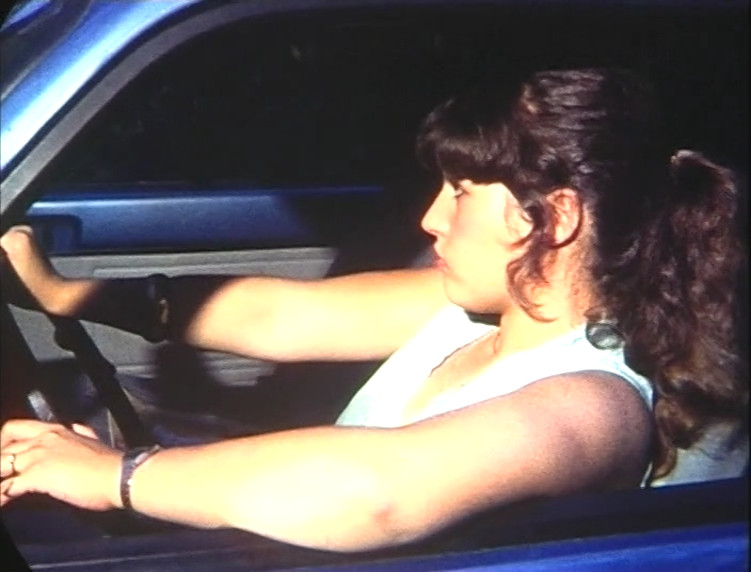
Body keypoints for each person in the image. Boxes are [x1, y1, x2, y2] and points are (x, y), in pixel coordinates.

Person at [0, 68, 746, 552]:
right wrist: (63, 292)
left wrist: (118, 476)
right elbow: (275, 317)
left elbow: (370, 494)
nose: (431, 219)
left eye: (460, 192)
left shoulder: (595, 404)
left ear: (551, 217)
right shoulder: (475, 313)